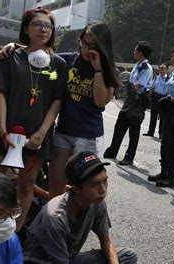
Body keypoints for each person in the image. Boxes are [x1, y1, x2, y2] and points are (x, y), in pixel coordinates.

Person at [0, 7, 67, 231]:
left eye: (48, 26)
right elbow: (1, 93)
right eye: (38, 25)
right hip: (6, 131)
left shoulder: (59, 64)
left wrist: (41, 134)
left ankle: (14, 232)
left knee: (25, 186)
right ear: (25, 29)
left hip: (37, 137)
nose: (43, 29)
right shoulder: (11, 57)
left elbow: (57, 101)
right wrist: (2, 131)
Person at [47, 21, 121, 199]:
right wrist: (14, 46)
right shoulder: (67, 60)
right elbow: (40, 54)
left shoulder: (110, 71)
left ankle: (80, 223)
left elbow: (100, 101)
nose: (87, 49)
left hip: (88, 136)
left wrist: (97, 69)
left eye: (93, 46)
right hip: (63, 131)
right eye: (85, 43)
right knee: (56, 183)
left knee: (86, 189)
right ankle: (54, 222)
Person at [23, 151, 138, 264]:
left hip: (67, 258)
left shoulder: (97, 202)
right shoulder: (55, 218)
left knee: (127, 255)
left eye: (105, 181)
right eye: (95, 184)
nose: (103, 190)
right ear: (76, 189)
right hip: (44, 261)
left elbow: (106, 241)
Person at [147, 47, 174, 188]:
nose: (172, 59)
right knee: (165, 144)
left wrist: (169, 99)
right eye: (171, 57)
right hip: (169, 111)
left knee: (173, 147)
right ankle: (164, 172)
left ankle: (172, 177)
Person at [103, 41, 153, 166]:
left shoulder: (147, 69)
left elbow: (138, 85)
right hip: (129, 99)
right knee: (119, 126)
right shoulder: (137, 65)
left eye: (135, 50)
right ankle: (112, 151)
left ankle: (129, 157)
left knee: (133, 131)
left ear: (141, 53)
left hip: (138, 101)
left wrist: (124, 87)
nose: (134, 52)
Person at [143, 63, 169, 138]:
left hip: (164, 98)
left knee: (162, 117)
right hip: (155, 97)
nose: (160, 70)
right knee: (153, 115)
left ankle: (161, 133)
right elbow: (152, 88)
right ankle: (151, 131)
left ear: (166, 70)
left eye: (162, 68)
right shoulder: (156, 78)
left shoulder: (169, 79)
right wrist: (150, 97)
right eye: (160, 68)